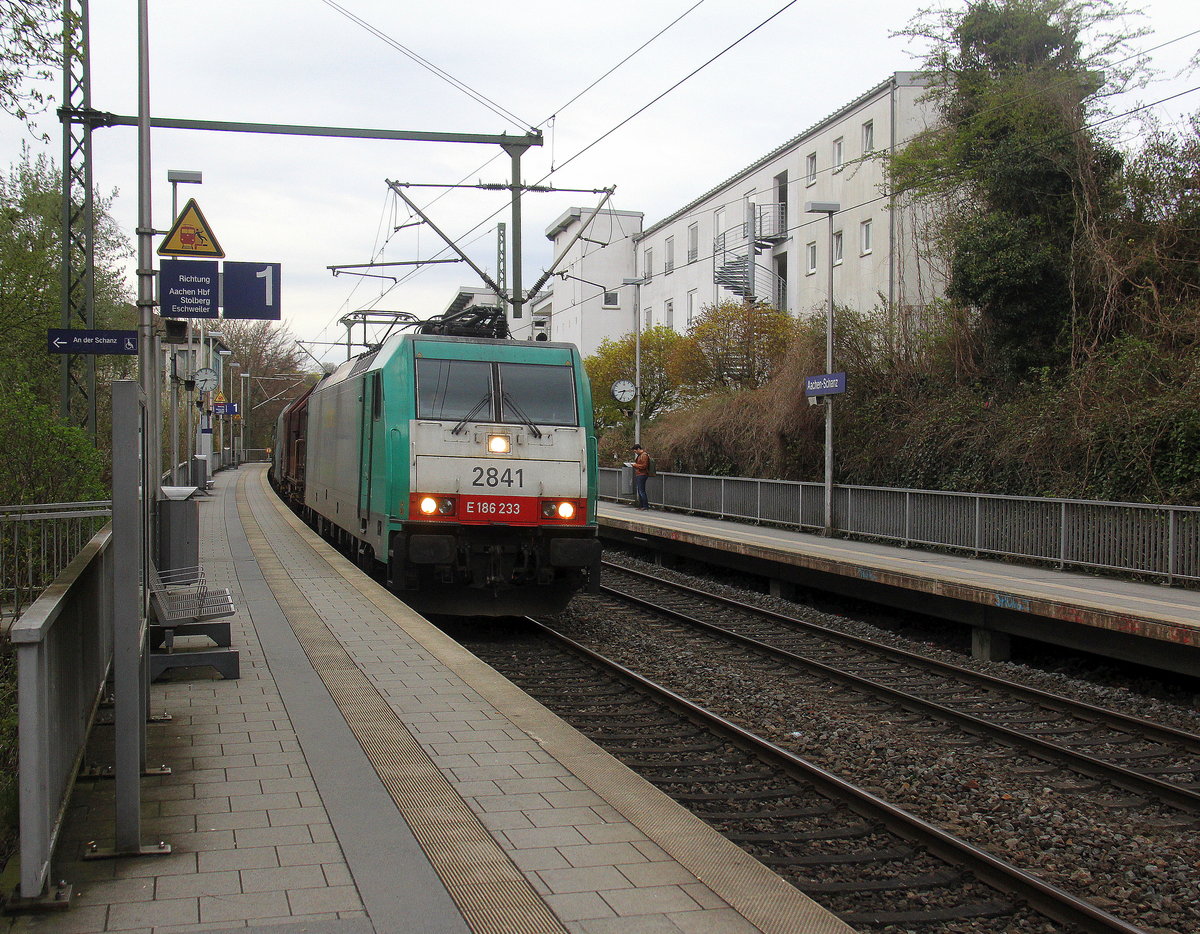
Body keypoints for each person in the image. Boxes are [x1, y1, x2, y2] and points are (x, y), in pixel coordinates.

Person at [631, 443, 650, 510]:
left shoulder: (644, 455)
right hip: (640, 474)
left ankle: (645, 506)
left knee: (641, 491)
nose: (635, 453)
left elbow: (644, 466)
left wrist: (635, 465)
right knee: (640, 490)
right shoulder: (640, 455)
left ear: (638, 449)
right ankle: (642, 505)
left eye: (635, 451)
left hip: (642, 474)